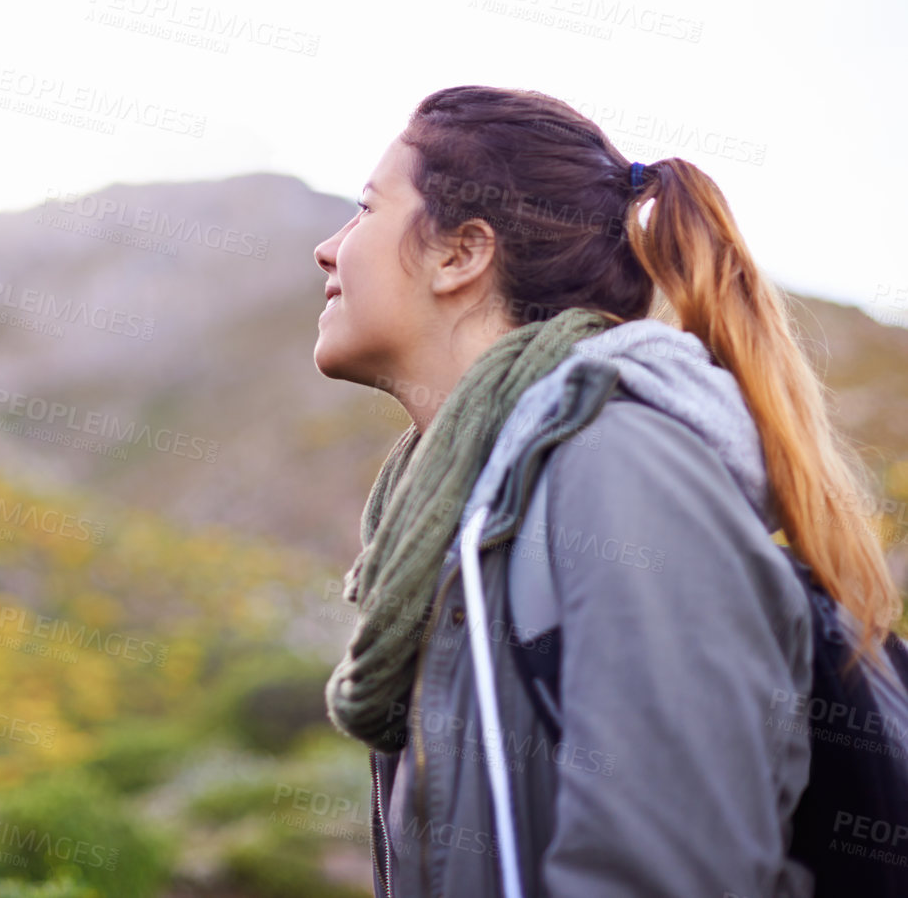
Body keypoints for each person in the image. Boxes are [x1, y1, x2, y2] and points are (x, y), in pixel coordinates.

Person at [311, 85, 899, 898]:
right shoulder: (473, 508)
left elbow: (671, 873)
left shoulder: (616, 464)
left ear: (460, 253)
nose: (327, 249)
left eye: (363, 210)